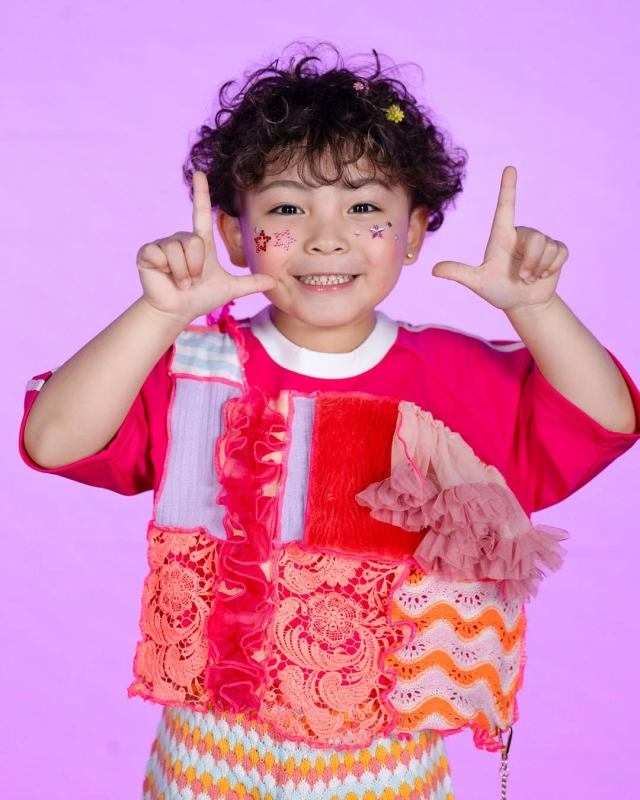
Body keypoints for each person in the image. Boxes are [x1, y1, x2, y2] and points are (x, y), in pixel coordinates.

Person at [19, 43, 639, 800]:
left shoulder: (458, 375)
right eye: (286, 208)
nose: (326, 236)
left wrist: (538, 311)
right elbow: (52, 442)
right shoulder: (194, 367)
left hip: (390, 766)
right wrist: (156, 314)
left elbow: (603, 420)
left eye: (366, 208)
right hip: (207, 760)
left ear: (414, 233)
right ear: (234, 233)